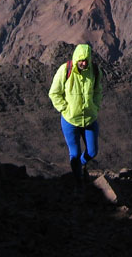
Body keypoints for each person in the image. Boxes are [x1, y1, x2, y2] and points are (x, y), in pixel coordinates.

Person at [48, 43, 102, 192]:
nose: (84, 63)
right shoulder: (65, 70)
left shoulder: (95, 71)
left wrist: (95, 107)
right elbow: (54, 93)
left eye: (86, 59)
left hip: (89, 119)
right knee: (75, 153)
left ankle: (82, 164)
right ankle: (79, 181)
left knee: (92, 151)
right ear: (76, 58)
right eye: (81, 60)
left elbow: (98, 91)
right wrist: (65, 109)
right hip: (70, 121)